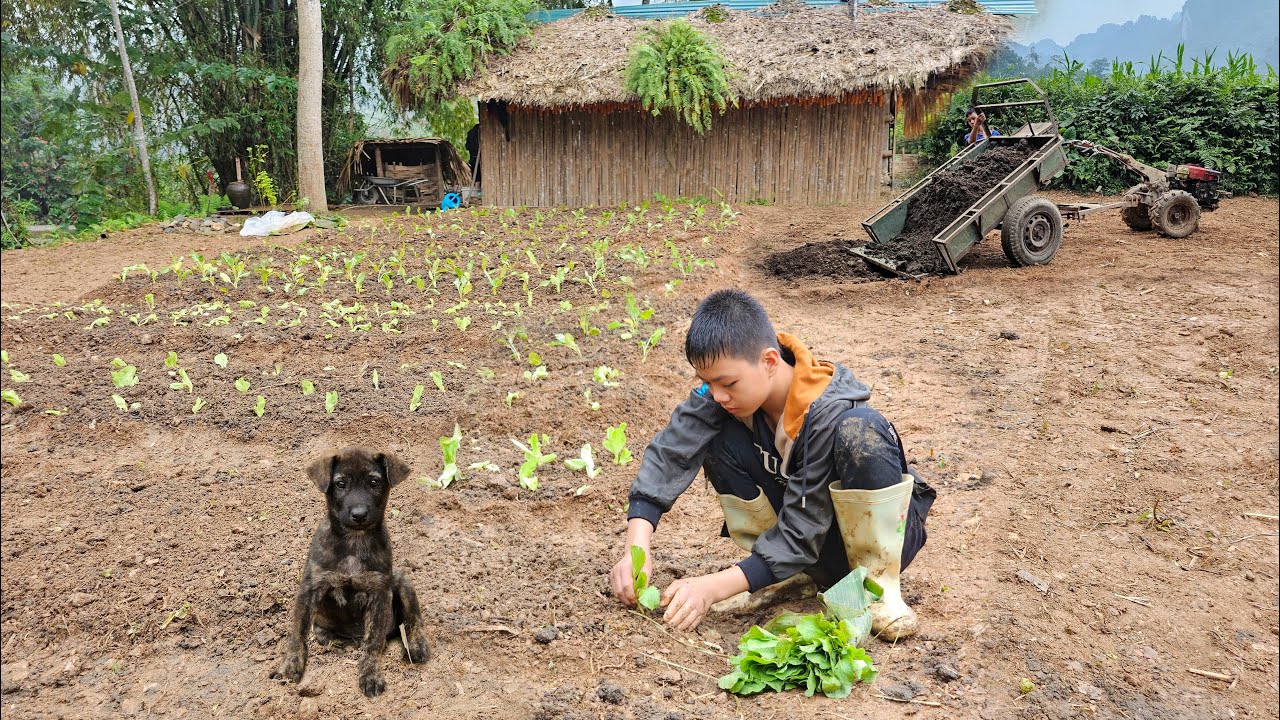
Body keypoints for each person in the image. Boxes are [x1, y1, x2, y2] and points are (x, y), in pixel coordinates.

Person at [609, 290, 935, 640]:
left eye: (728, 383)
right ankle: (784, 572)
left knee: (861, 431)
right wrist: (636, 551)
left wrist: (713, 588)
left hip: (872, 538)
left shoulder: (826, 411)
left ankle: (876, 588)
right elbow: (671, 450)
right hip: (804, 545)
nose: (718, 394)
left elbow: (803, 528)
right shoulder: (724, 396)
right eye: (708, 383)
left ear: (769, 361)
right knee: (711, 431)